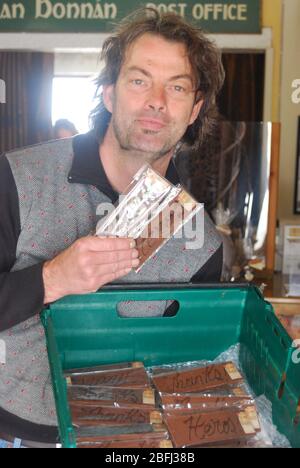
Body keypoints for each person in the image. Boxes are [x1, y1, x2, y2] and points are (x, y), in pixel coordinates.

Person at [0, 9, 225, 447]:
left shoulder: (203, 242)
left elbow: (187, 370)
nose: (157, 100)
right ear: (108, 93)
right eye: (139, 80)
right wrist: (51, 278)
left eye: (176, 87)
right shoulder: (16, 179)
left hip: (123, 441)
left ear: (194, 109)